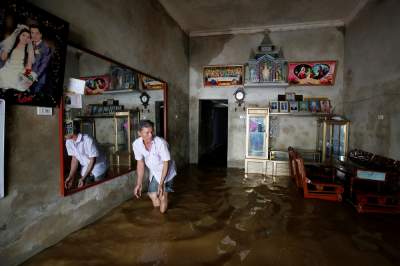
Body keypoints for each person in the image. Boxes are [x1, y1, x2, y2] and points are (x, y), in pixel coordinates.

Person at [132, 120, 176, 213]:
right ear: (139, 133)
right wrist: (139, 183)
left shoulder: (160, 143)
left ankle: (163, 214)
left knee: (162, 197)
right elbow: (140, 163)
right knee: (152, 195)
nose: (150, 135)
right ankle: (158, 220)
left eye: (152, 132)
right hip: (155, 172)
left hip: (167, 171)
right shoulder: (137, 144)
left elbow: (166, 163)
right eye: (147, 133)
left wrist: (161, 184)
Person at [64, 121, 108, 190]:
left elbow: (92, 160)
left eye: (65, 130)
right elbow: (74, 159)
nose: (63, 133)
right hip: (86, 167)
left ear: (72, 131)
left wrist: (83, 178)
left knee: (98, 190)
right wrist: (71, 176)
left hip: (98, 166)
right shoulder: (68, 142)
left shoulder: (87, 139)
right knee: (84, 189)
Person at [0, 24, 36, 91]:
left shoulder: (28, 51)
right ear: (19, 35)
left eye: (28, 37)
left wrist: (25, 76)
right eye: (23, 35)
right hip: (7, 69)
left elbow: (29, 66)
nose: (25, 38)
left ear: (29, 39)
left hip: (19, 72)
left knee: (27, 80)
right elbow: (3, 58)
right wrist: (6, 48)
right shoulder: (12, 45)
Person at [30, 24, 51, 94]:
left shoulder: (45, 47)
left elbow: (44, 65)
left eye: (37, 33)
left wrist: (34, 76)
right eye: (32, 33)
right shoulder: (29, 44)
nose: (34, 35)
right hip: (26, 76)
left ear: (41, 34)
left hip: (38, 80)